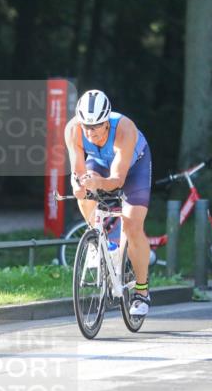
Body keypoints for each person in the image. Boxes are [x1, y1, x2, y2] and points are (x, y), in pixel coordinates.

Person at [64, 89, 153, 317]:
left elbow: (117, 179)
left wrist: (99, 183)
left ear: (106, 121)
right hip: (100, 162)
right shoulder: (73, 129)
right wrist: (79, 185)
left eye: (96, 126)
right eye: (86, 126)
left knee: (132, 225)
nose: (90, 132)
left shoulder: (124, 129)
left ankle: (141, 292)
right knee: (83, 191)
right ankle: (98, 240)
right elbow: (78, 169)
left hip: (132, 169)